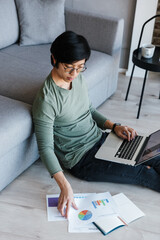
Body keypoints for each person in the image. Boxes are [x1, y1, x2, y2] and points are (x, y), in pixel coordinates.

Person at [32, 31, 160, 219]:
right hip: (82, 160)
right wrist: (65, 185)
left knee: (154, 153)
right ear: (54, 59)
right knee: (143, 173)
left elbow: (89, 110)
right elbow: (45, 148)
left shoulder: (77, 78)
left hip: (101, 138)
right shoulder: (46, 101)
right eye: (68, 67)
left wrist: (114, 126)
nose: (74, 74)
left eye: (80, 67)